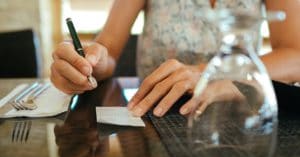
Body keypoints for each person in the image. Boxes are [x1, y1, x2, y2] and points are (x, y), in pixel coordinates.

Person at [50, 0, 300, 117]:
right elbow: (109, 50)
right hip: (158, 116)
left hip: (241, 117)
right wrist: (88, 62)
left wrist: (208, 73)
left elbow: (295, 55)